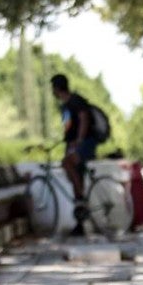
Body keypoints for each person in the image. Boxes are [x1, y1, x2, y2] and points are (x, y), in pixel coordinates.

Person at [50, 74, 97, 236]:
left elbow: (83, 119)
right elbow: (69, 126)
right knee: (75, 175)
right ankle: (80, 220)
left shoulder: (75, 101)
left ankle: (82, 197)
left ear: (56, 88)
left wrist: (79, 140)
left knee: (67, 164)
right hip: (74, 144)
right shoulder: (65, 105)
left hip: (84, 144)